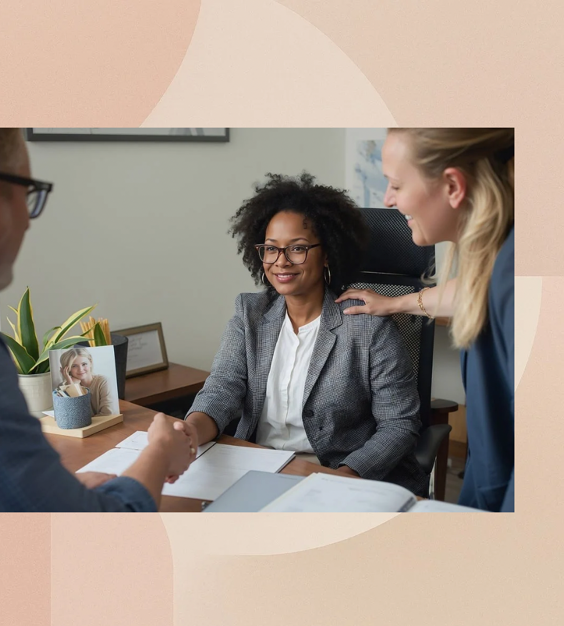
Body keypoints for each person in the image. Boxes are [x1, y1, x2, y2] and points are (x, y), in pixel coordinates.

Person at [0, 128, 194, 511]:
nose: (28, 220)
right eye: (28, 195)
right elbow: (98, 531)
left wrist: (61, 490)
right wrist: (159, 451)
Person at [178, 172, 429, 496]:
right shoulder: (249, 313)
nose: (281, 262)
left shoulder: (367, 325)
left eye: (297, 248)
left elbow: (398, 425)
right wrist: (188, 433)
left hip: (339, 478)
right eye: (271, 249)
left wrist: (345, 475)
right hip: (258, 472)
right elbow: (222, 388)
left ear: (327, 253)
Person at [336, 128, 514, 512]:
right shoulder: (500, 261)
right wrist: (395, 304)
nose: (387, 199)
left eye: (396, 185)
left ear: (452, 185)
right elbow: (470, 290)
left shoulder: (515, 272)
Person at [58, 348, 114, 415]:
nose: (80, 369)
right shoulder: (63, 387)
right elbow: (74, 416)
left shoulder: (103, 381)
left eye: (84, 364)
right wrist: (72, 386)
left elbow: (108, 414)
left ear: (90, 362)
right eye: (74, 366)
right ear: (67, 369)